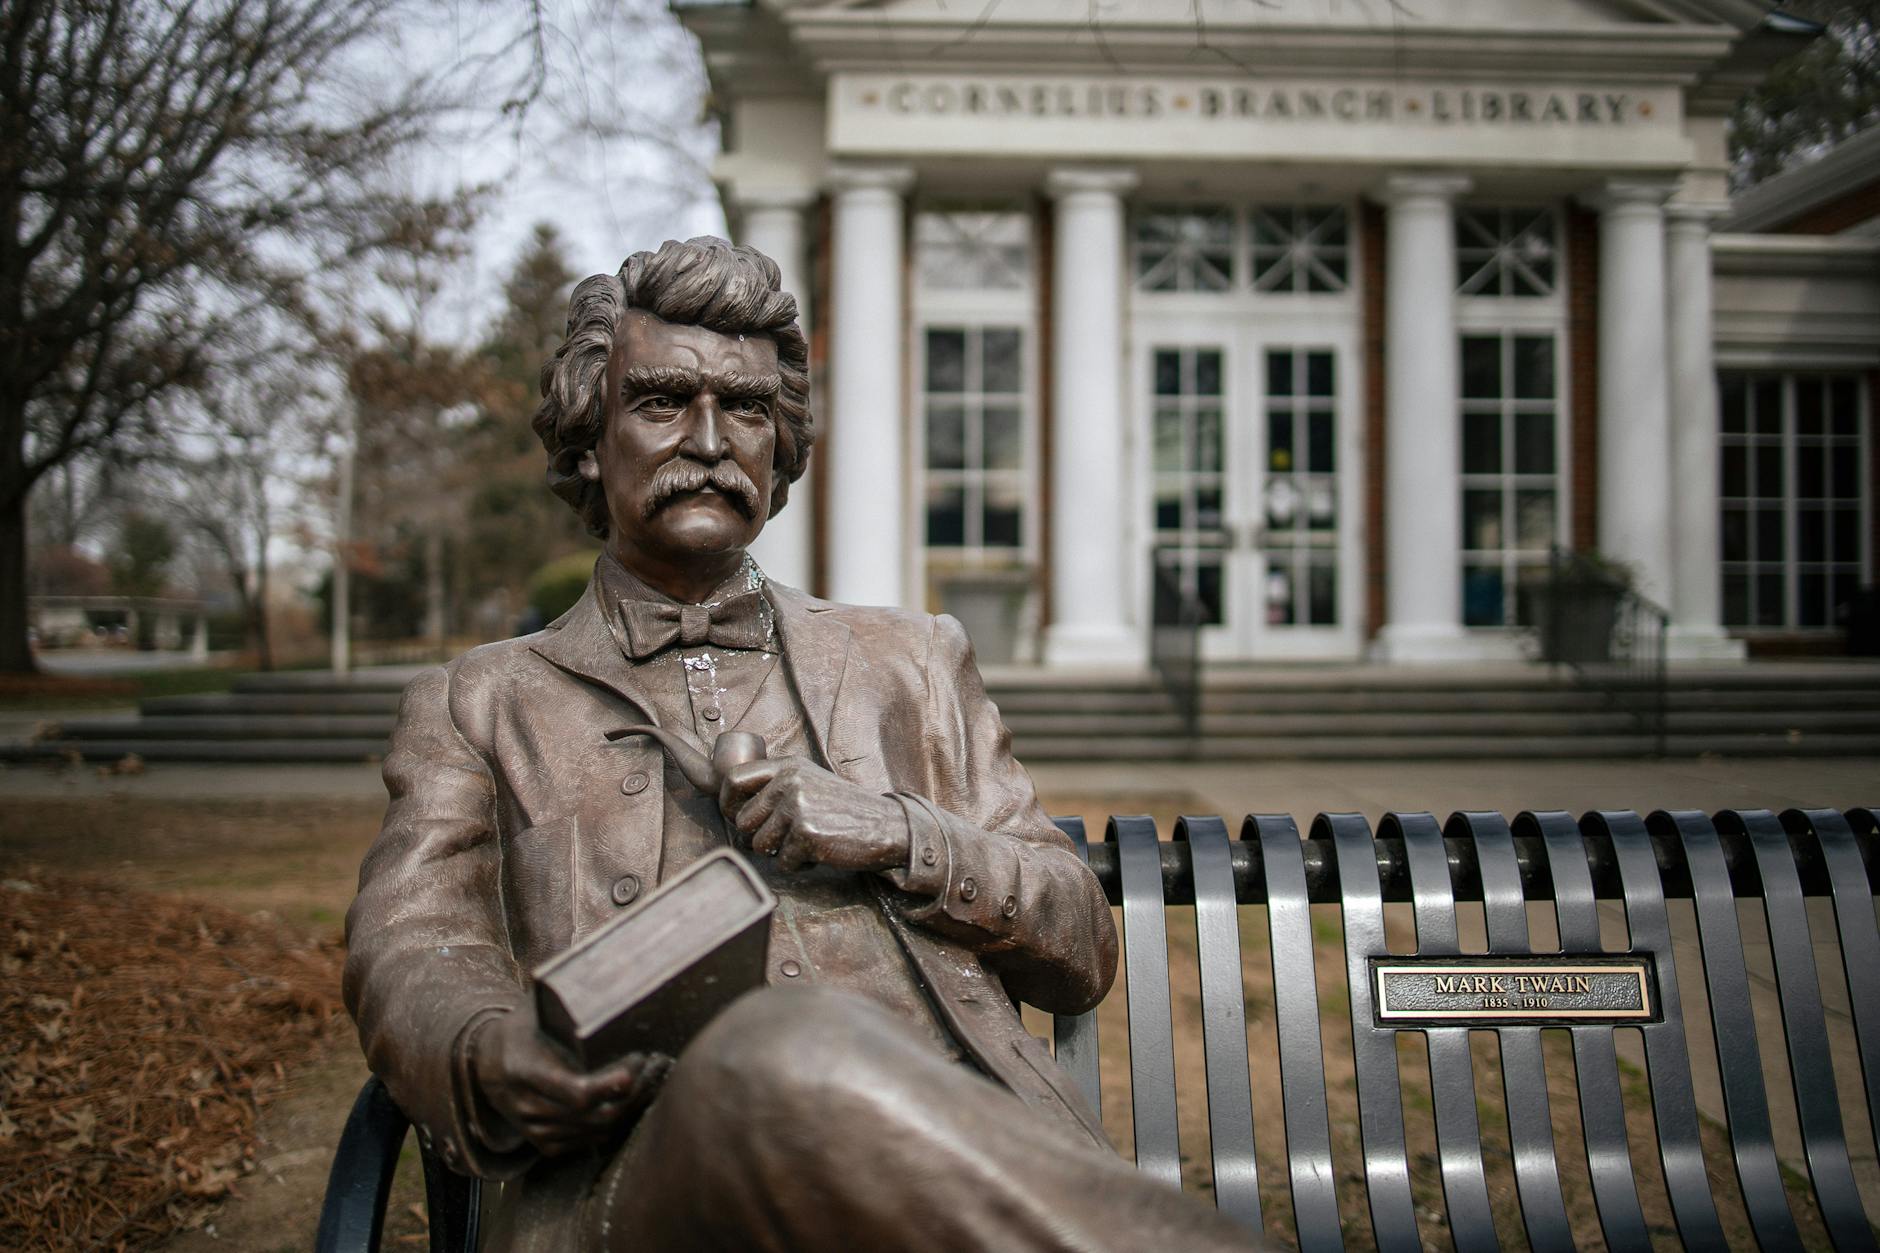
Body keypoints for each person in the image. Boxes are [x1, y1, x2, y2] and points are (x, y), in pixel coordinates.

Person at [343, 236, 1255, 1251]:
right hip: (648, 1185)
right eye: (662, 400)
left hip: (954, 1168)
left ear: (778, 447)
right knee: (779, 1046)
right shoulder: (483, 701)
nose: (708, 440)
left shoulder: (913, 661)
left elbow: (1078, 941)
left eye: (743, 408)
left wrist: (902, 833)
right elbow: (412, 948)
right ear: (590, 439)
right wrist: (487, 1050)